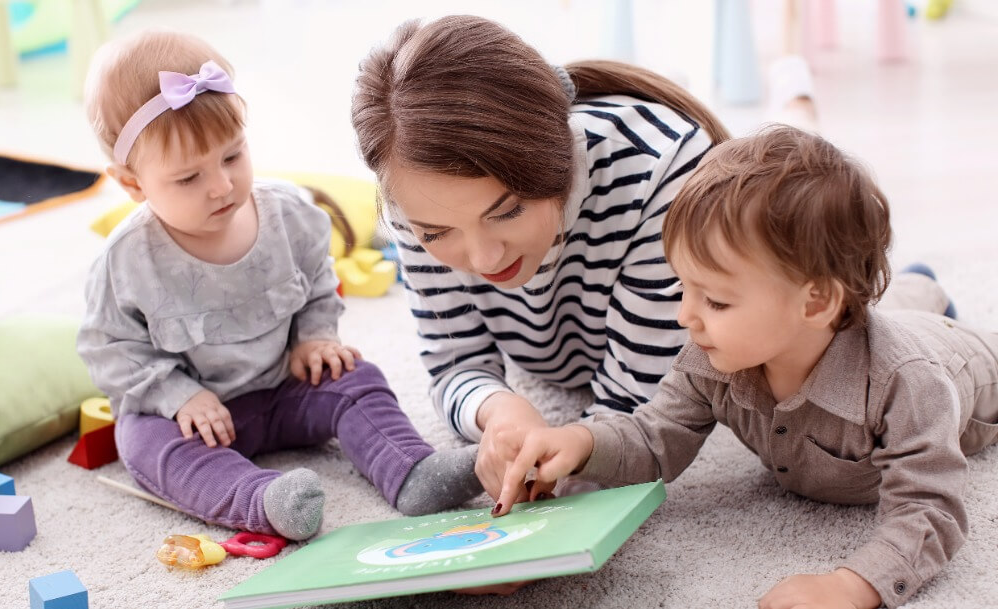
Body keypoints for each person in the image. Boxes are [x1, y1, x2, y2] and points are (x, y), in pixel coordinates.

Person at [491, 126, 998, 609]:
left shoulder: (907, 384)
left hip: (961, 359)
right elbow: (653, 437)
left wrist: (855, 584)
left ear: (816, 300)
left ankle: (924, 292)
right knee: (900, 303)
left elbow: (931, 506)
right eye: (681, 288)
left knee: (919, 329)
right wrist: (581, 443)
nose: (684, 316)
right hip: (861, 319)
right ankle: (919, 283)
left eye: (714, 301)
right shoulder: (711, 361)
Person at [76, 30, 482, 541]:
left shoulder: (290, 214)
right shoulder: (126, 260)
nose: (221, 186)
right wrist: (178, 396)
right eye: (188, 178)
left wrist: (314, 338)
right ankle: (265, 501)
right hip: (194, 417)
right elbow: (109, 348)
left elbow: (316, 280)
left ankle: (411, 471)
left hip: (287, 385)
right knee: (142, 443)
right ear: (132, 183)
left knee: (357, 377)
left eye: (231, 156)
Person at [350, 15, 731, 500]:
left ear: (559, 158)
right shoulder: (414, 189)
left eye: (507, 212)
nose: (485, 259)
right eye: (438, 233)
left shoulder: (662, 174)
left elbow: (643, 414)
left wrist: (549, 502)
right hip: (563, 356)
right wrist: (500, 411)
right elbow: (453, 362)